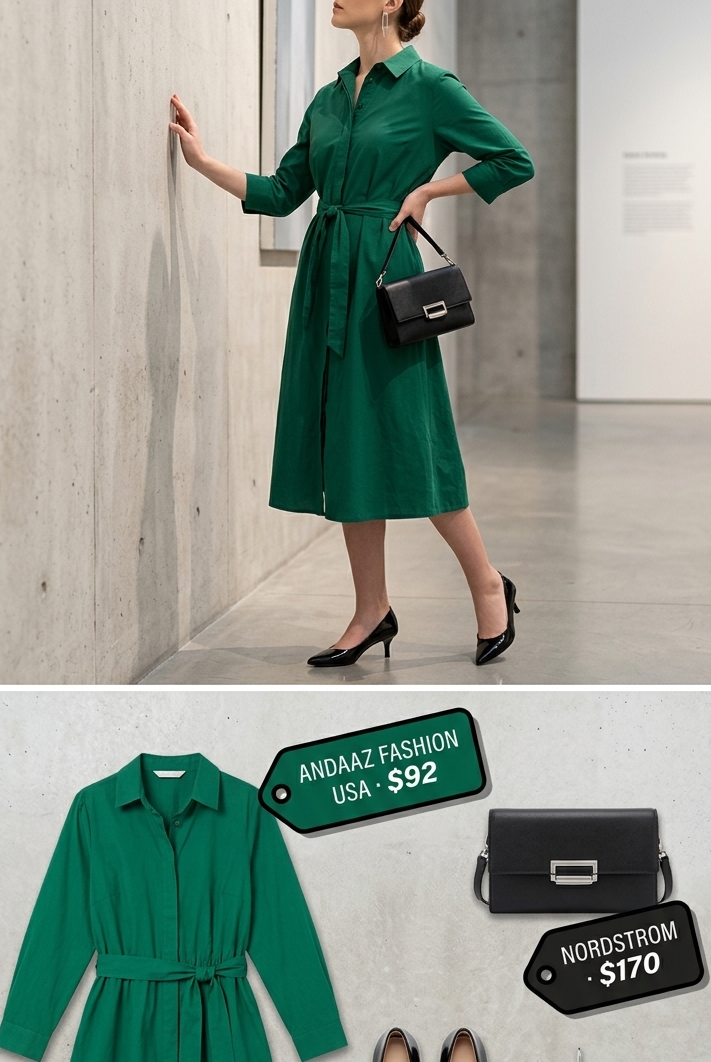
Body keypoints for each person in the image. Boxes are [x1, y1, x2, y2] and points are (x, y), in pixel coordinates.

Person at [169, 0, 534, 667]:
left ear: (393, 1)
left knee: (414, 441)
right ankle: (372, 611)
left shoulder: (431, 90)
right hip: (325, 281)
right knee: (350, 445)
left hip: (385, 278)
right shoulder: (330, 97)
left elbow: (514, 160)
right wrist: (202, 162)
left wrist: (429, 192)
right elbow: (282, 191)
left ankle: (488, 585)